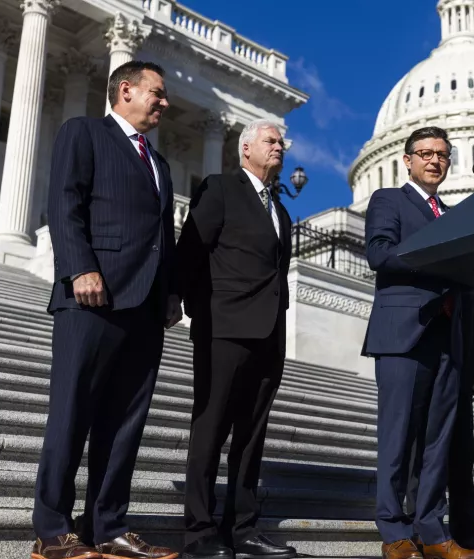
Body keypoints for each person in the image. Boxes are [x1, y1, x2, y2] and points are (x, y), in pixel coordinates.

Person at [31, 60, 181, 559]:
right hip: (92, 296)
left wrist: (171, 295)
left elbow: (164, 237)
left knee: (124, 424)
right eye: (156, 94)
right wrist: (79, 268)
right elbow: (65, 203)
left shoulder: (159, 164)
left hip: (144, 306)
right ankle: (53, 531)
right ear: (126, 90)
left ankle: (107, 526)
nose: (164, 103)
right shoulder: (85, 133)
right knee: (73, 411)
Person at [176, 120, 296, 559]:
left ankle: (243, 528)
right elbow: (191, 250)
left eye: (281, 141)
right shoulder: (221, 188)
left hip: (269, 334)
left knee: (251, 436)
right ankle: (199, 532)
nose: (279, 147)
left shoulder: (280, 211)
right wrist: (191, 306)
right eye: (270, 140)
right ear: (246, 148)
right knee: (210, 431)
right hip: (223, 328)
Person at [362, 126, 474, 559]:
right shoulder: (388, 201)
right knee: (398, 438)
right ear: (407, 160)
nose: (434, 161)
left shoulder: (452, 216)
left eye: (442, 155)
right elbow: (379, 253)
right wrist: (439, 255)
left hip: (448, 340)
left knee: (437, 444)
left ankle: (432, 530)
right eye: (425, 153)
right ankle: (394, 530)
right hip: (404, 335)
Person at [407, 290, 474, 551]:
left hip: (461, 364)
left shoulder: (467, 258)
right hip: (421, 352)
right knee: (419, 443)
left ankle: (464, 525)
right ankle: (418, 523)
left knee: (462, 449)